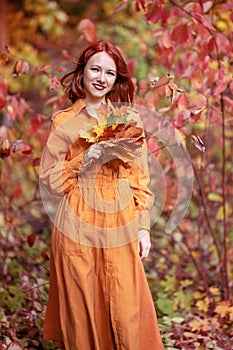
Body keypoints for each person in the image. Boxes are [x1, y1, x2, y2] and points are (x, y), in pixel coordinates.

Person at [39, 41, 164, 350]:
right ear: (82, 73)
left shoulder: (128, 121)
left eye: (109, 72)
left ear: (116, 79)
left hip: (120, 219)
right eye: (95, 69)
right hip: (77, 222)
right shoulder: (63, 121)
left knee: (125, 307)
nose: (101, 78)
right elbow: (50, 178)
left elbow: (140, 178)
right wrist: (87, 157)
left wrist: (144, 226)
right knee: (82, 313)